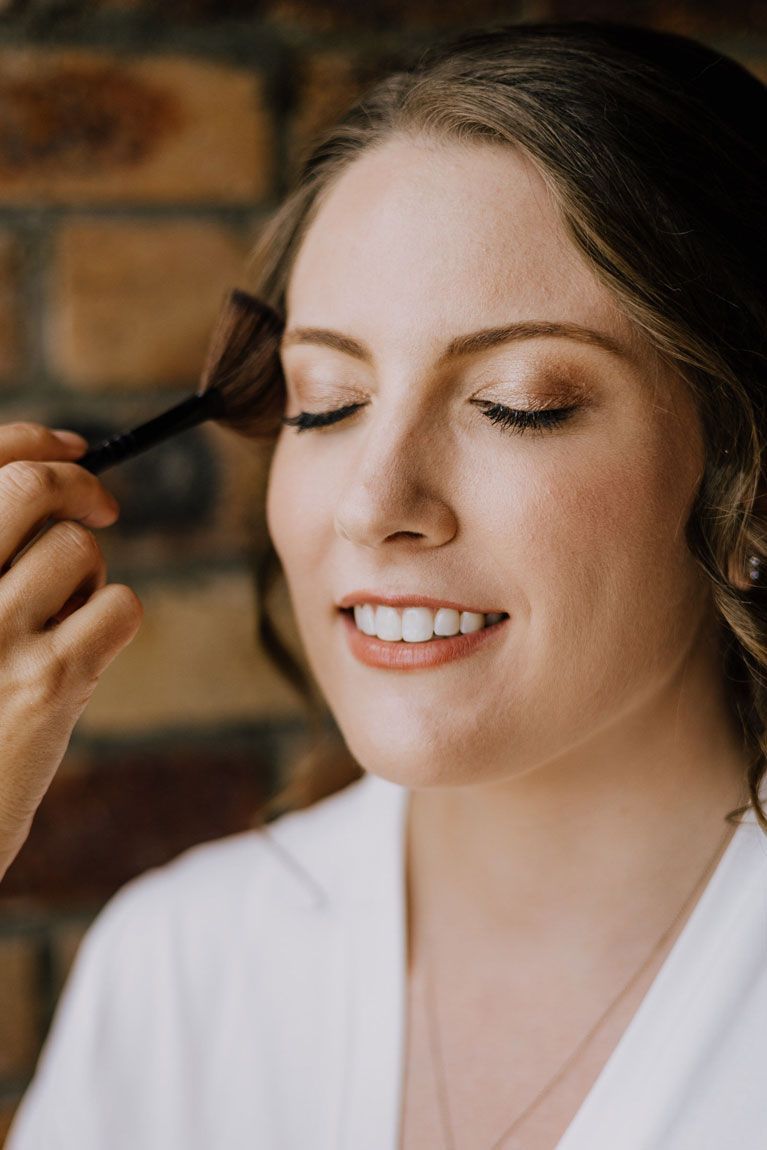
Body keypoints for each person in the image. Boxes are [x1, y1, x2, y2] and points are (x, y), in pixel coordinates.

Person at [3, 19, 767, 1150]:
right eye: (325, 403)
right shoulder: (179, 971)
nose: (371, 503)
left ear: (748, 477)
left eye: (518, 404)